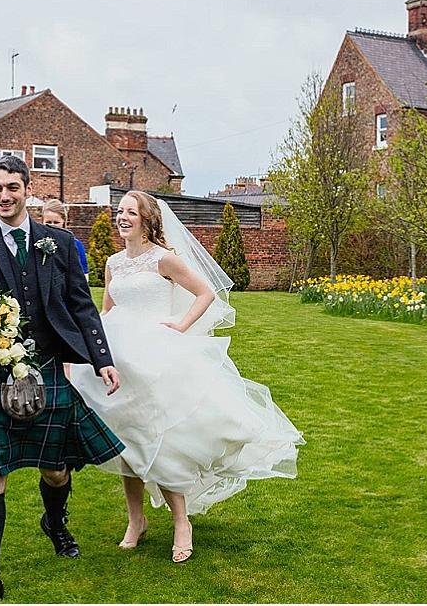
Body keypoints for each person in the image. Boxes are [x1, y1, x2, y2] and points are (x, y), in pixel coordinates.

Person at [69, 191, 303, 564]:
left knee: (159, 440)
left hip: (157, 358)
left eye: (131, 212)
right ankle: (136, 520)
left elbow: (205, 293)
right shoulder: (113, 262)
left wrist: (180, 325)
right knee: (123, 438)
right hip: (118, 361)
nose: (123, 217)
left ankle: (182, 523)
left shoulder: (164, 259)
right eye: (120, 211)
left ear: (147, 220)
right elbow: (106, 310)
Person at [0, 156, 124, 604]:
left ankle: (56, 523)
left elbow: (81, 305)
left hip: (47, 365)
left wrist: (100, 358)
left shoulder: (59, 242)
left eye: (11, 187)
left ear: (28, 188)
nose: (3, 196)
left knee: (56, 468)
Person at [38, 200, 87, 274]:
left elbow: (83, 275)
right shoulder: (37, 243)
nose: (52, 226)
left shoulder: (75, 245)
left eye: (56, 222)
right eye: (48, 222)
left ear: (64, 222)